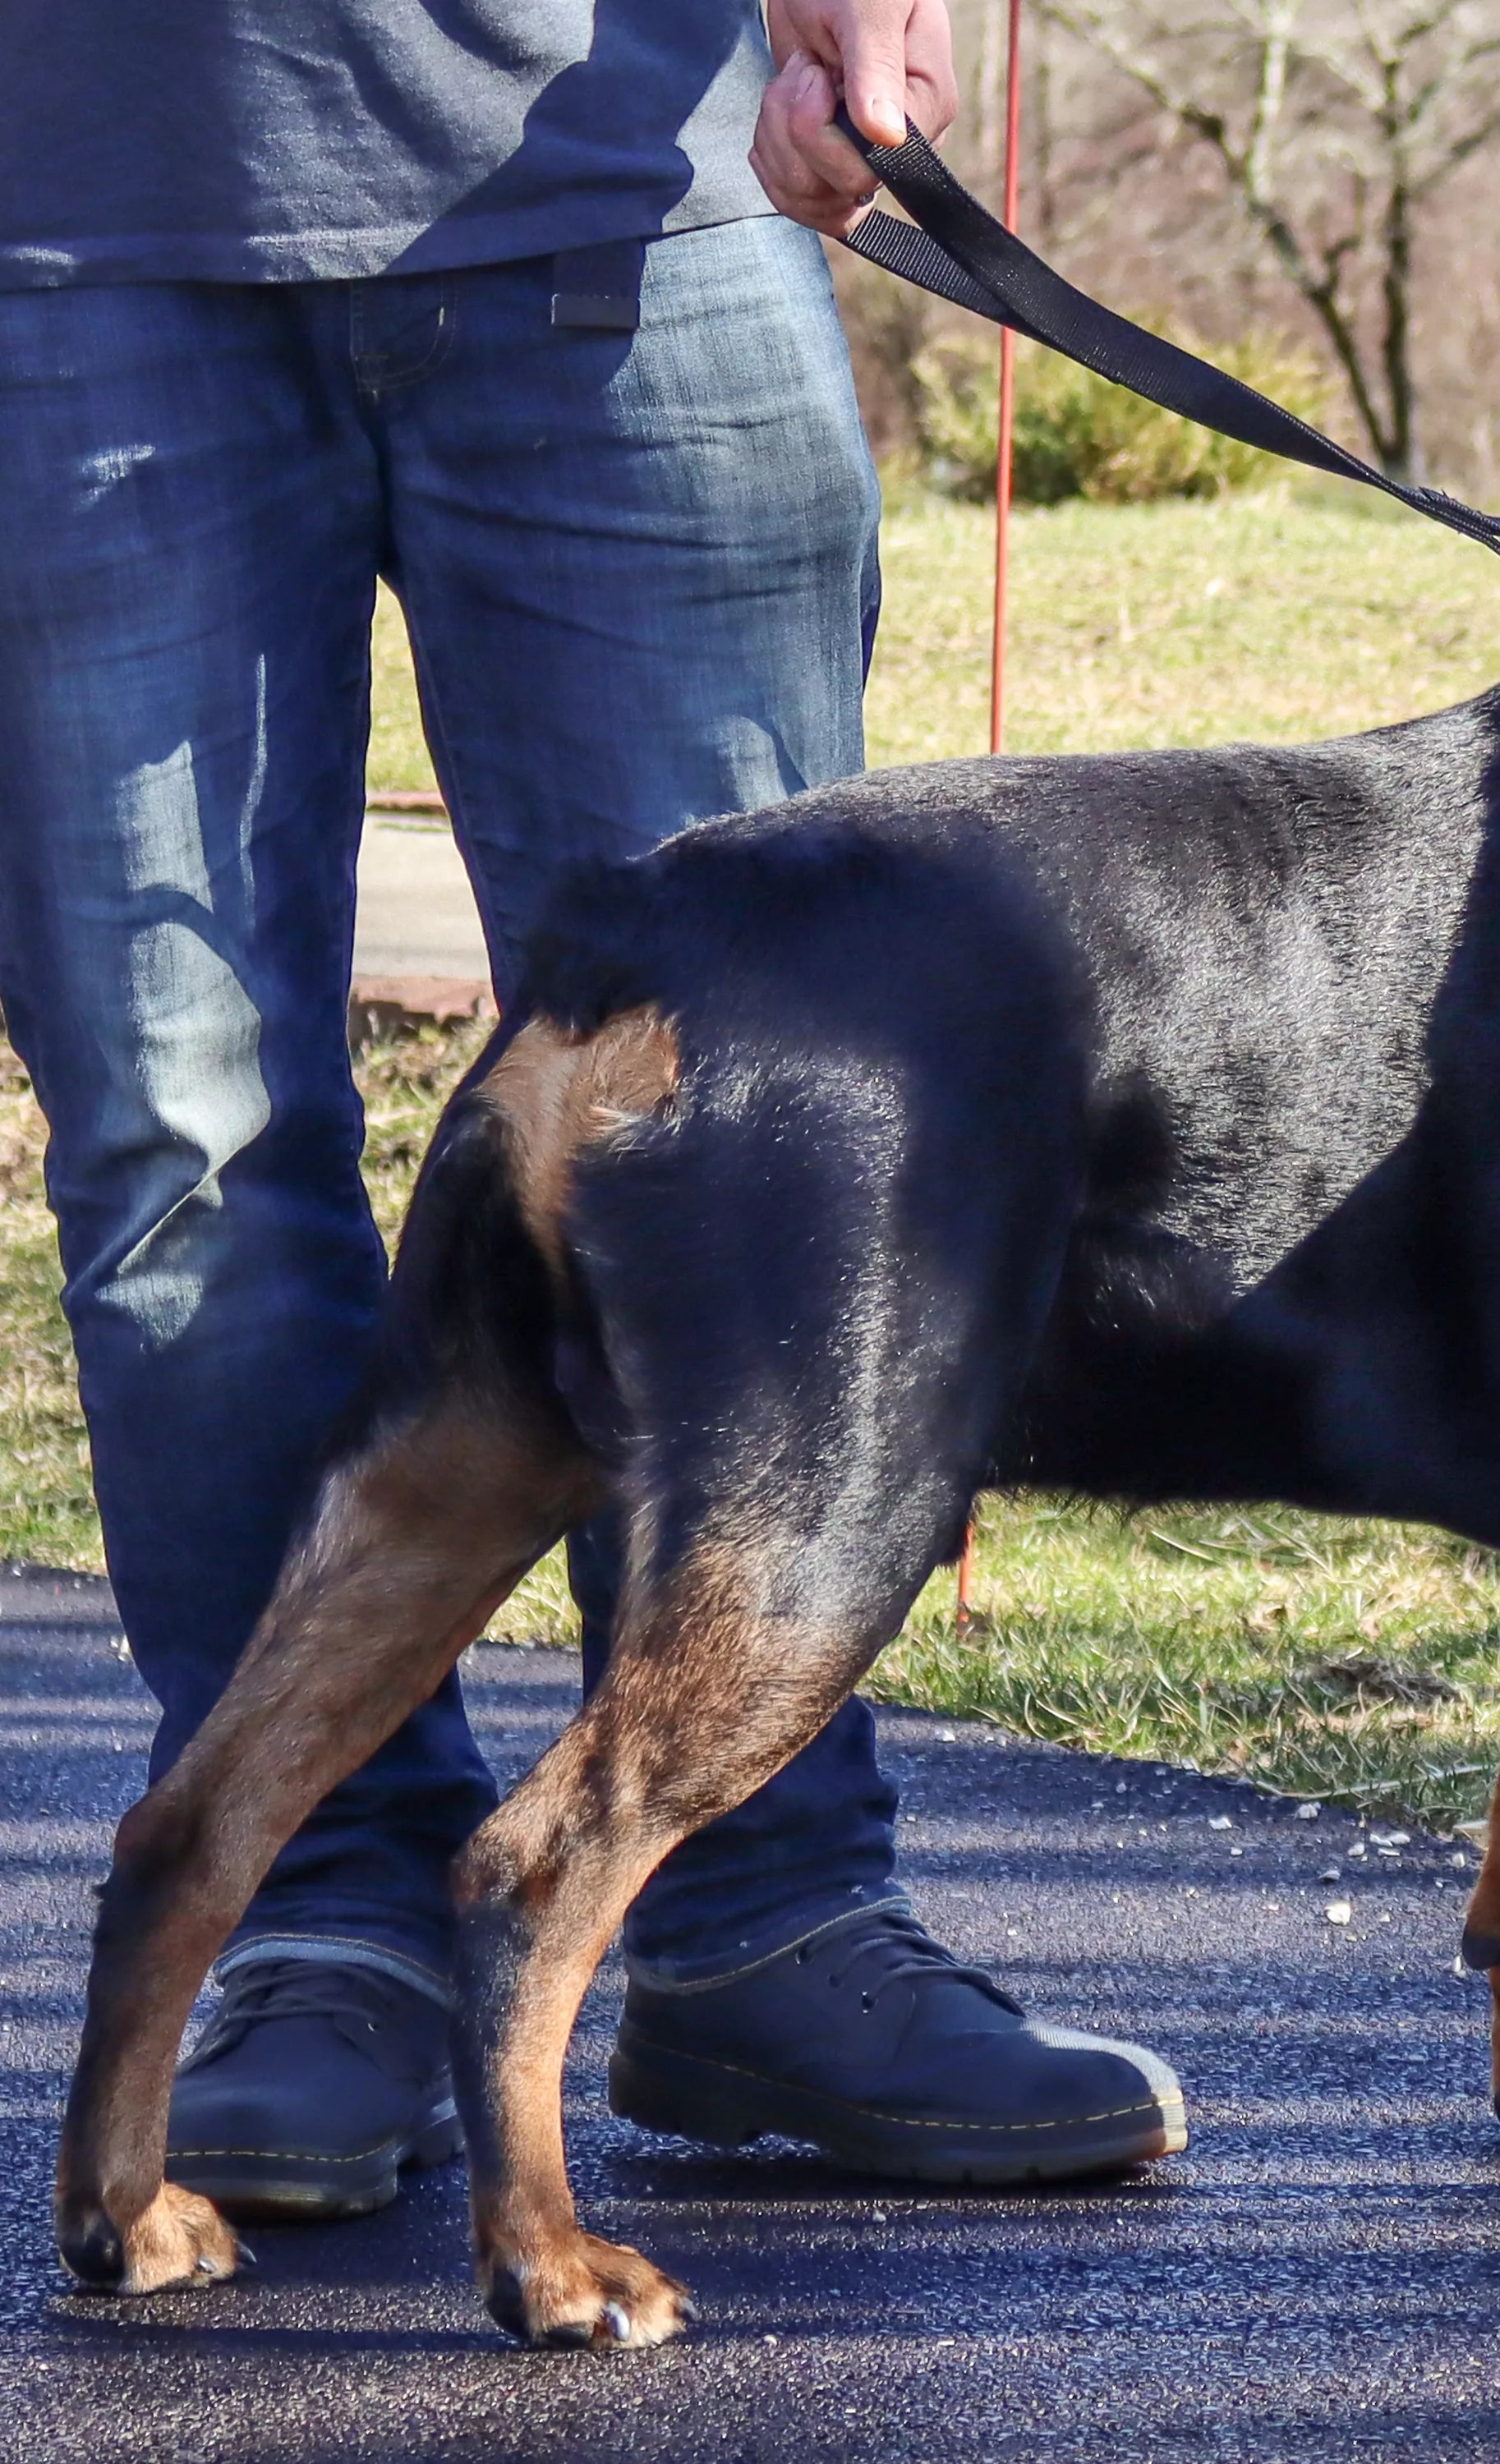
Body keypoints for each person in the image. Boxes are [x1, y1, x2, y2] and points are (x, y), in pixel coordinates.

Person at [0, 0, 1181, 2220]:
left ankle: (759, 1912)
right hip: (63, 228)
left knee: (764, 1136)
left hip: (625, 178)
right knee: (180, 1147)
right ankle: (312, 1909)